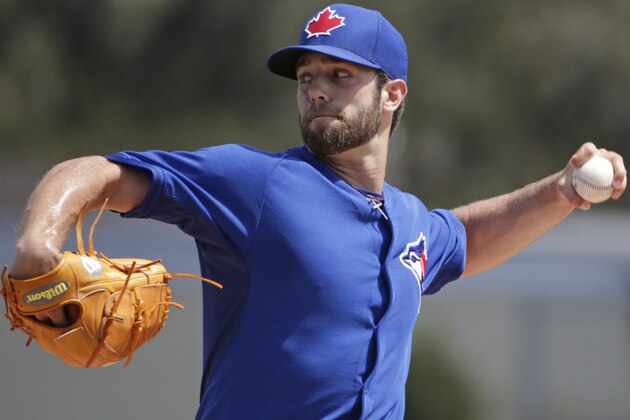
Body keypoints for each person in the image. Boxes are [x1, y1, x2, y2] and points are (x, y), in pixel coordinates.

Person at [8, 3, 626, 419]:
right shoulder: (254, 183)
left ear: (393, 95)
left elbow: (463, 239)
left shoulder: (409, 222)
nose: (317, 89)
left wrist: (562, 190)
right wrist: (37, 243)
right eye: (306, 76)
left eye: (339, 73)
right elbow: (100, 174)